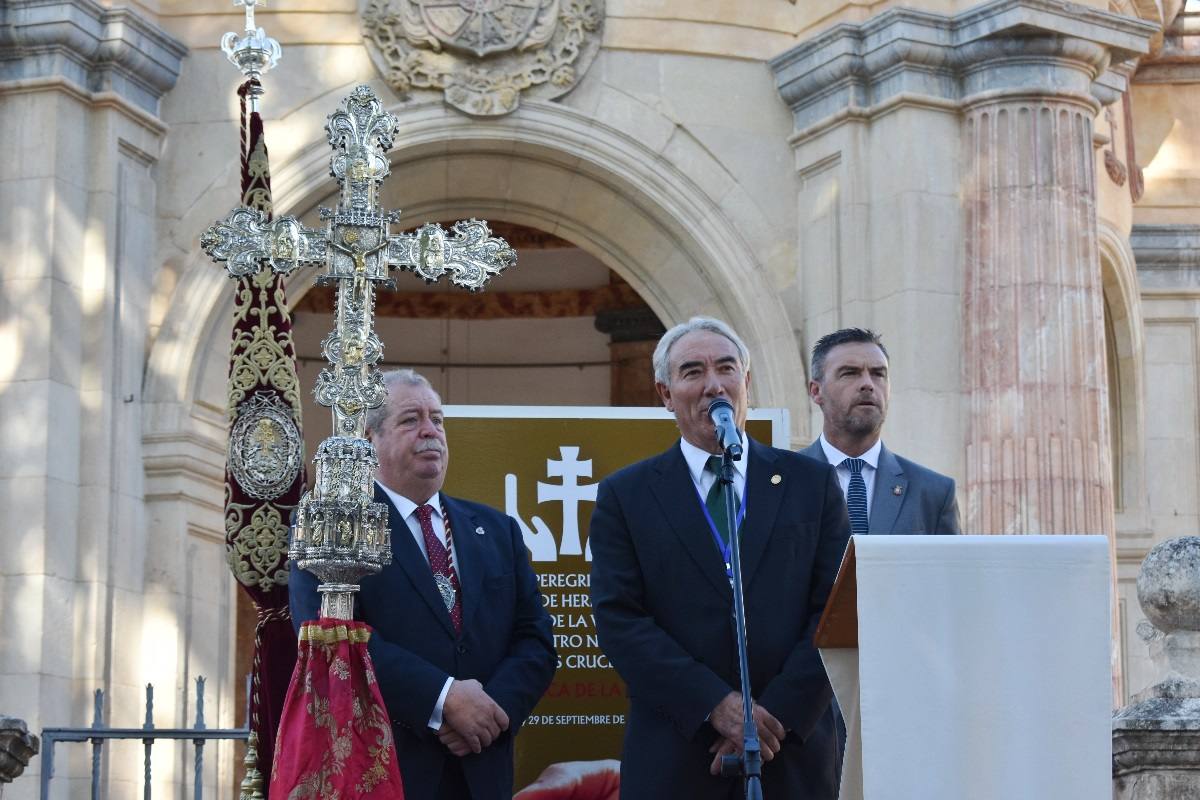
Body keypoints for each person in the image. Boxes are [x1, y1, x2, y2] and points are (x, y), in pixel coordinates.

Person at [589, 317, 851, 799]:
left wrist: (774, 718)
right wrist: (716, 706)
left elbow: (835, 610)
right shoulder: (626, 495)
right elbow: (620, 619)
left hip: (791, 753)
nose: (714, 385)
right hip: (678, 752)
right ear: (666, 394)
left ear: (746, 383)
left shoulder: (810, 485)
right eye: (692, 372)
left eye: (726, 368)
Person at [290, 369, 556, 800]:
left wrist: (490, 712)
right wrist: (443, 699)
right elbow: (328, 637)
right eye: (411, 420)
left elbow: (535, 640)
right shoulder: (333, 524)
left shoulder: (496, 529)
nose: (431, 431)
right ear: (370, 439)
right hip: (385, 770)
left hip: (482, 767)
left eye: (438, 419)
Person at [800, 328, 960, 536]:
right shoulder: (782, 483)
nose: (868, 384)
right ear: (816, 391)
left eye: (878, 374)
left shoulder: (934, 493)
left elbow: (949, 567)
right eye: (850, 373)